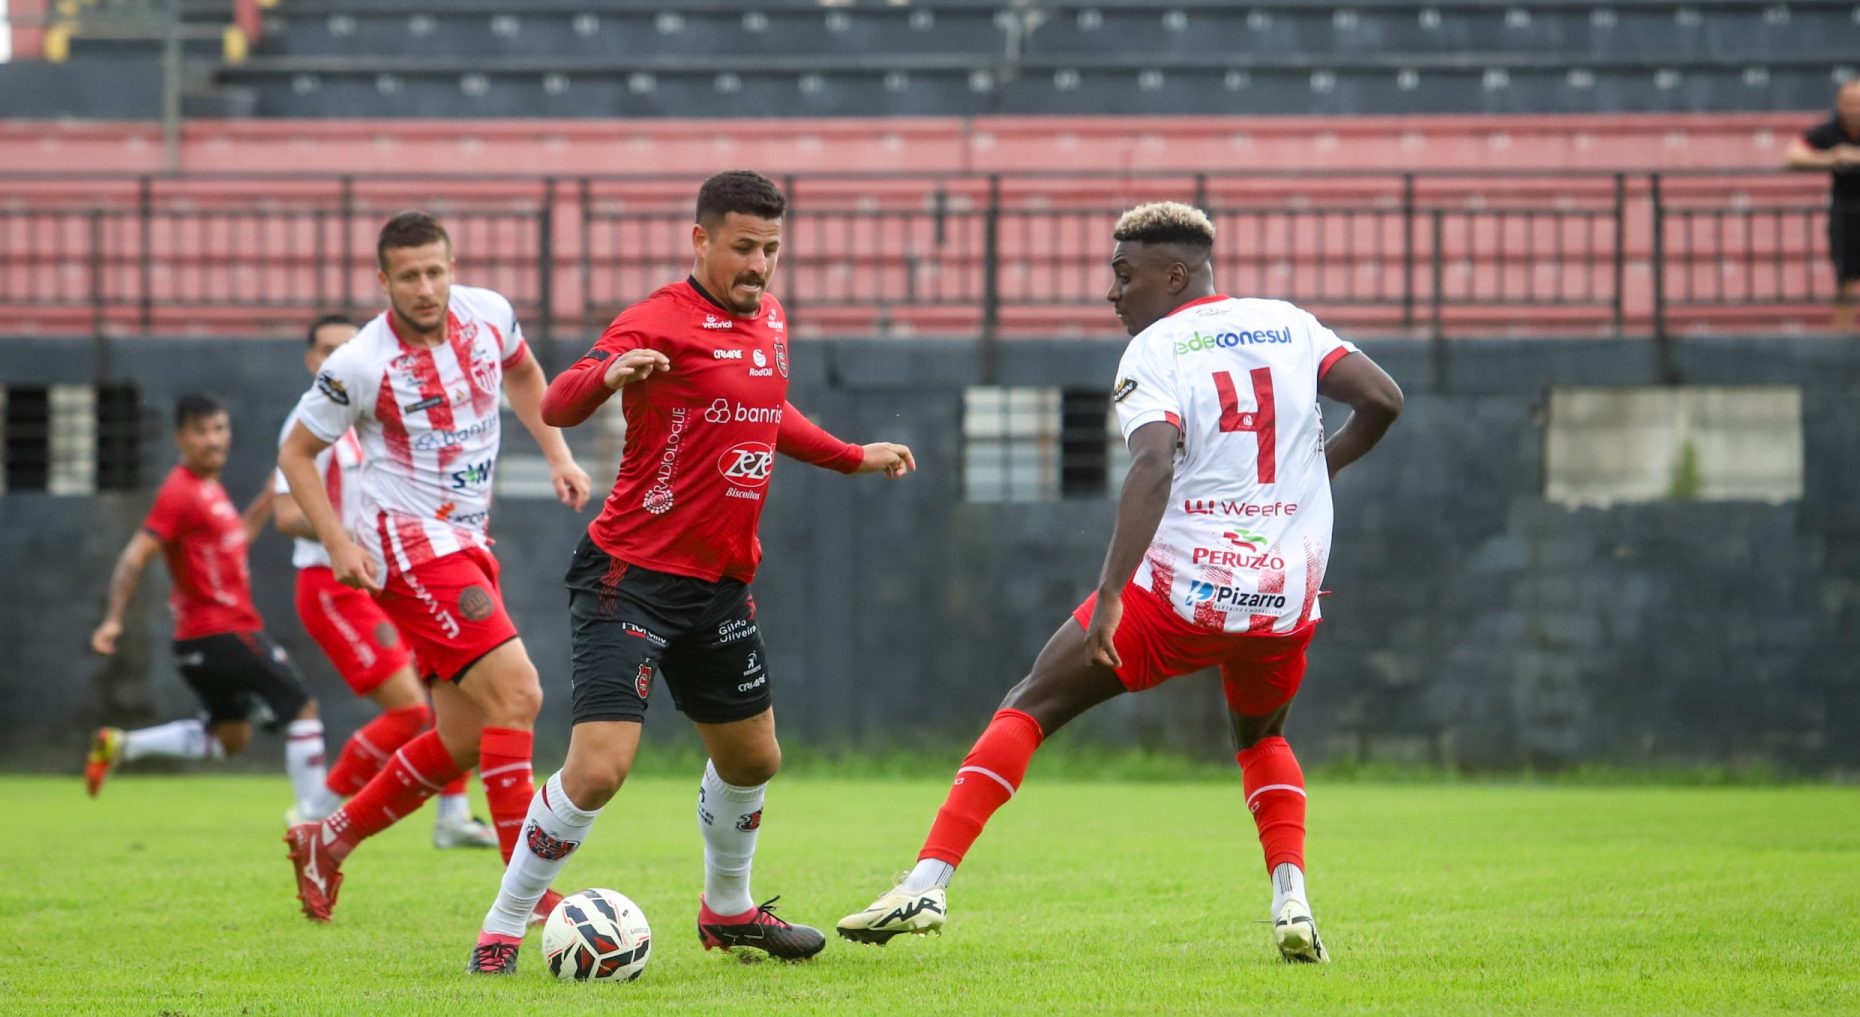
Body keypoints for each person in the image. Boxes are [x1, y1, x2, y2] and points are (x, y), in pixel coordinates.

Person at [836, 202, 1403, 963]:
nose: (1113, 292)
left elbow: (1153, 461)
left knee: (1028, 703)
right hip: (1281, 597)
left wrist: (1109, 596)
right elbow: (1384, 400)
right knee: (1262, 737)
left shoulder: (1157, 348)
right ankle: (1291, 899)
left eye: (1124, 274)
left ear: (1176, 275)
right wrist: (1313, 474)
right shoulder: (1290, 324)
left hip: (1179, 596)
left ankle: (927, 882)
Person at [463, 170, 916, 975]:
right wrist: (609, 375)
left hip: (718, 586)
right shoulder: (657, 320)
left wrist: (849, 457)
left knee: (753, 759)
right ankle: (500, 929)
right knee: (599, 768)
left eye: (772, 249)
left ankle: (729, 911)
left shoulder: (771, 318)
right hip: (628, 574)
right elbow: (560, 401)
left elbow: (764, 410)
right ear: (700, 240)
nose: (761, 265)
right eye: (745, 247)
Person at [277, 211, 593, 923]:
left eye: (436, 270)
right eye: (410, 275)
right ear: (383, 280)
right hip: (406, 544)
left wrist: (558, 453)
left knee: (463, 736)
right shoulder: (359, 362)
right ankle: (529, 890)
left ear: (453, 266)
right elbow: (295, 452)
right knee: (519, 695)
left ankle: (328, 839)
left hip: (466, 540)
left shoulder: (489, 316)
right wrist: (336, 541)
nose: (426, 287)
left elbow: (525, 373)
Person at [274, 312, 496, 850]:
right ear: (311, 361)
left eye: (346, 347)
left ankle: (453, 814)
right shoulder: (306, 427)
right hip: (332, 584)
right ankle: (318, 812)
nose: (338, 357)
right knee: (409, 709)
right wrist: (350, 534)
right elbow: (285, 514)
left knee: (459, 680)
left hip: (394, 576)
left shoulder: (381, 420)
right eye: (327, 349)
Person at [86, 394, 333, 823]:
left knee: (229, 738)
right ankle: (314, 820)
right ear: (180, 438)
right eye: (201, 431)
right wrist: (112, 620)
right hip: (222, 631)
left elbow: (232, 541)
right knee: (302, 709)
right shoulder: (180, 491)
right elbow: (135, 555)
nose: (214, 440)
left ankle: (122, 745)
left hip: (196, 643)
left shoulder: (208, 490)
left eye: (220, 429)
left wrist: (263, 501)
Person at [1785, 77, 1860, 332]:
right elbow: (1793, 155)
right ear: (1839, 104)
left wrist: (1856, 156)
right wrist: (1832, 158)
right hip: (1847, 213)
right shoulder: (1830, 130)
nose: (1855, 109)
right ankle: (1845, 343)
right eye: (1850, 103)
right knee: (1846, 280)